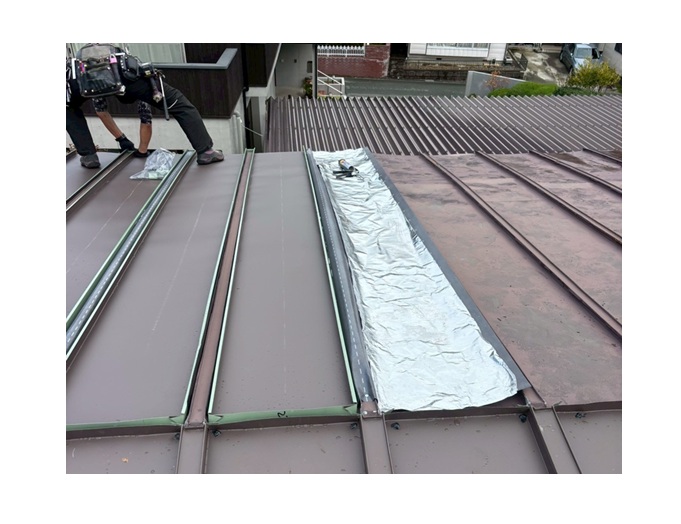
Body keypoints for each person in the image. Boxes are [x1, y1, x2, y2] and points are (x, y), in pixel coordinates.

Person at [66, 44, 224, 168]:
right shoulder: (134, 80)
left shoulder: (93, 82)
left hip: (81, 80)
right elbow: (143, 118)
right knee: (181, 105)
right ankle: (206, 151)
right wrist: (122, 139)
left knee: (67, 108)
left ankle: (89, 156)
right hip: (120, 74)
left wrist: (141, 149)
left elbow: (107, 112)